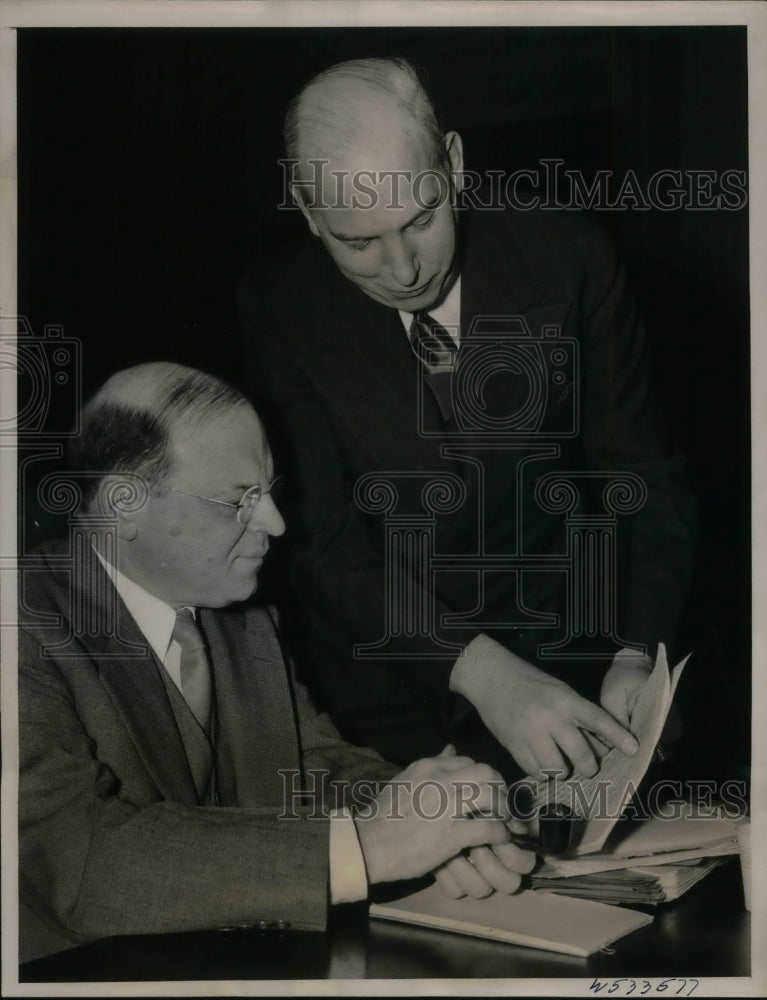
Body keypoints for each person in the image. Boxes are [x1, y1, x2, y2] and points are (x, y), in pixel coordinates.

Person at [239, 57, 696, 780]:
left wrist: (635, 653)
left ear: (452, 164)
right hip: (389, 698)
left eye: (420, 220)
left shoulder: (567, 257)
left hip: (575, 665)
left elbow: (641, 477)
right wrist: (481, 673)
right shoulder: (278, 307)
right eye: (358, 242)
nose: (403, 271)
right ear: (305, 208)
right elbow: (323, 544)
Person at [18, 362, 536, 965]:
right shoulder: (19, 627)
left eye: (268, 491)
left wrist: (436, 814)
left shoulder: (241, 614)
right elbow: (76, 861)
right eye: (239, 500)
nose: (276, 523)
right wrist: (365, 848)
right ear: (124, 504)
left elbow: (308, 767)